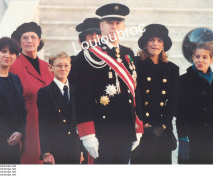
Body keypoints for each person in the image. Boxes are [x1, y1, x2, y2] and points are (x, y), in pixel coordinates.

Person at [73, 3, 143, 164]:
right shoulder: (89, 55)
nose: (114, 27)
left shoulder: (128, 54)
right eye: (110, 23)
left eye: (118, 23)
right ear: (101, 26)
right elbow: (82, 97)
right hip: (102, 131)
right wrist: (87, 133)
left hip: (126, 129)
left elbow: (134, 91)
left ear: (123, 26)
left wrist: (138, 127)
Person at [131, 24, 180, 164]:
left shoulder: (172, 69)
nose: (155, 44)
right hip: (141, 128)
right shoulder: (135, 64)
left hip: (162, 130)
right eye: (152, 40)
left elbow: (173, 102)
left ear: (164, 45)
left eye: (159, 40)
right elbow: (133, 97)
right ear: (145, 43)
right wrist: (140, 123)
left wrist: (163, 126)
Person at [10, 22, 54, 164]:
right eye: (25, 37)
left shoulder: (48, 68)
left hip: (51, 130)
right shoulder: (14, 68)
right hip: (28, 132)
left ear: (39, 41)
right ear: (19, 42)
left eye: (33, 37)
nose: (29, 41)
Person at [176, 44, 213, 164]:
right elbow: (180, 114)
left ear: (211, 59)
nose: (200, 60)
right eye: (197, 56)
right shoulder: (184, 80)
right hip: (193, 140)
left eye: (205, 57)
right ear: (192, 57)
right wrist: (183, 139)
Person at [37, 51, 81, 164]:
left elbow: (79, 121)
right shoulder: (44, 92)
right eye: (59, 66)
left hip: (75, 148)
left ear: (70, 67)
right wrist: (46, 152)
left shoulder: (76, 90)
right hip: (56, 150)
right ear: (51, 68)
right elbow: (43, 123)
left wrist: (81, 150)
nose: (63, 69)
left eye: (66, 65)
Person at [68, 17, 101, 164]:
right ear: (82, 39)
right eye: (90, 34)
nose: (94, 38)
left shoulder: (112, 60)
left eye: (98, 33)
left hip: (107, 123)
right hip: (82, 121)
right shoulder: (73, 63)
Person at [0, 37, 26, 164]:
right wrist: (6, 135)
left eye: (12, 53)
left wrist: (19, 132)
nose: (7, 55)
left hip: (15, 140)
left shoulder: (16, 79)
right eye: (3, 51)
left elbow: (22, 109)